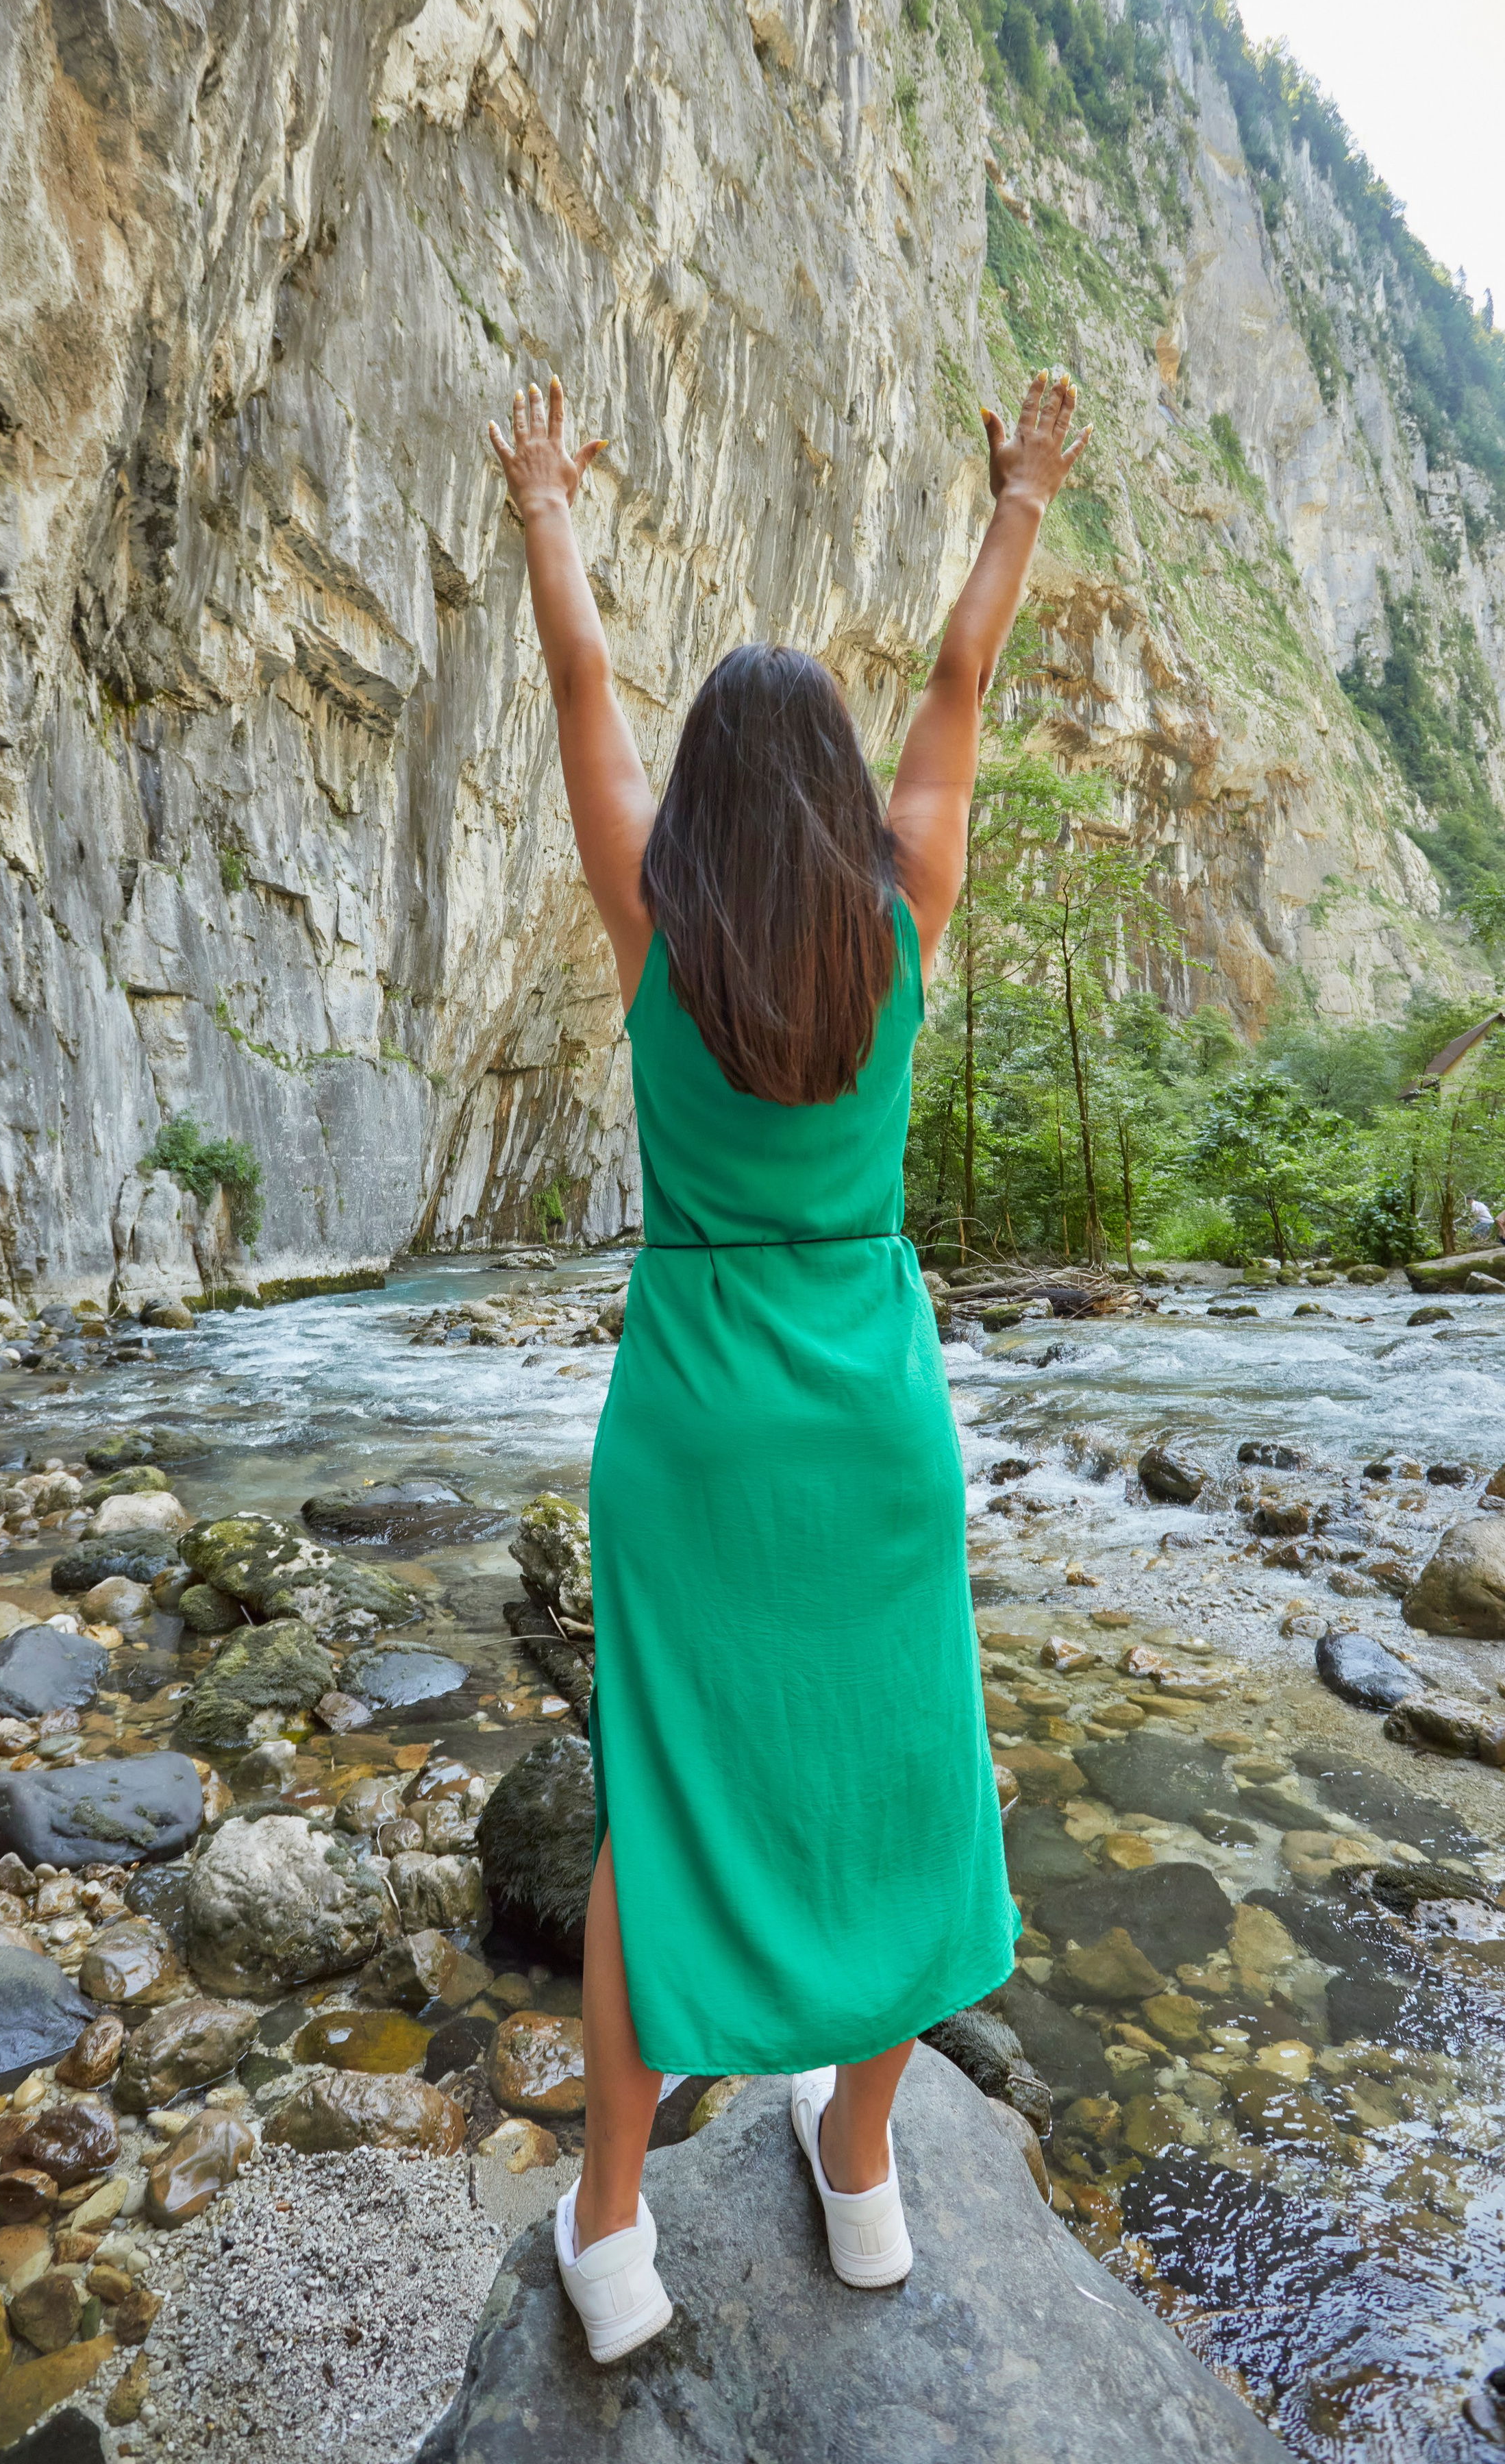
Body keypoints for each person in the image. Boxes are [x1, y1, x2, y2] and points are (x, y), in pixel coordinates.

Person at [486, 367, 1091, 2363]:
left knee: (664, 1812)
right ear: (834, 795)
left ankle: (612, 2228)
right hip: (869, 1416)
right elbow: (961, 679)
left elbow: (581, 684)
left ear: (707, 796)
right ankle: (860, 2165)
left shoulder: (660, 928)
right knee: (906, 1781)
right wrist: (1013, 500)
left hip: (695, 1421)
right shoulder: (899, 918)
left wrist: (551, 507)